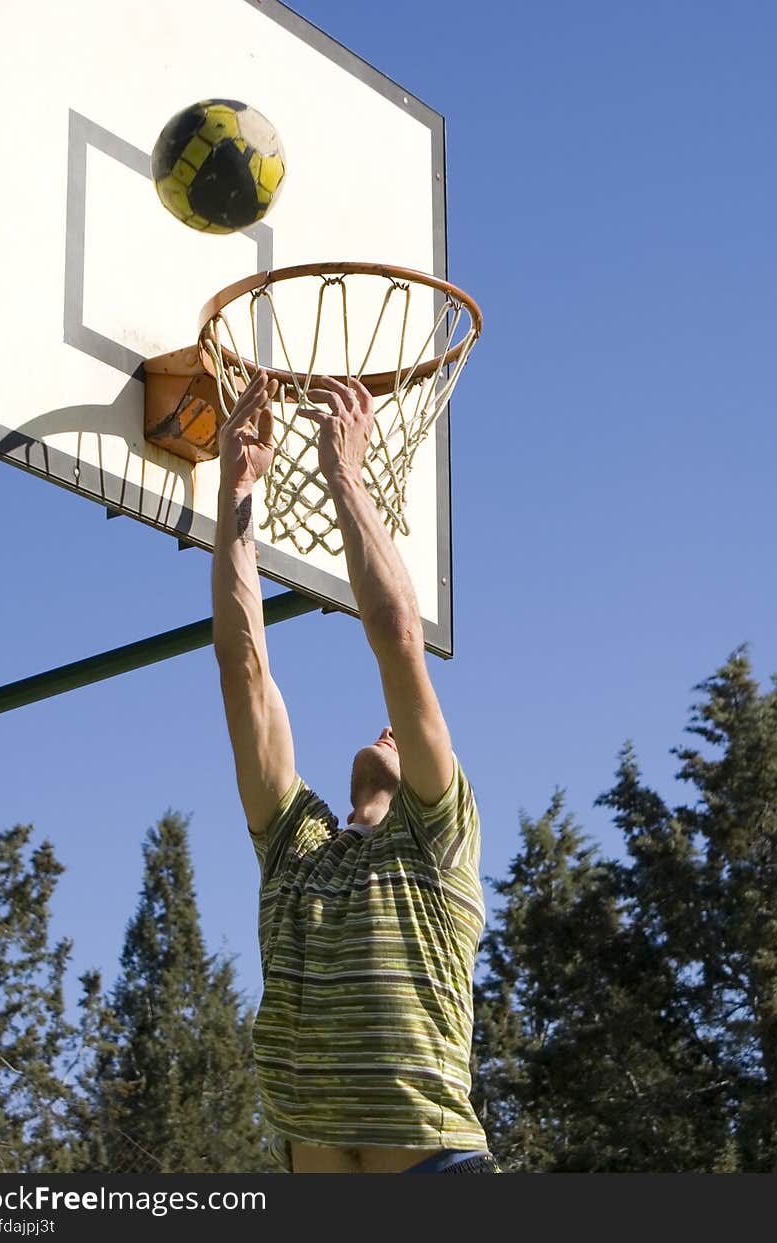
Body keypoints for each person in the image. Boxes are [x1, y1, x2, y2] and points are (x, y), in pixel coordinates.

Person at [212, 368, 498, 1174]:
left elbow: (398, 633)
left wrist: (346, 474)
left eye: (401, 736)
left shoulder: (438, 835)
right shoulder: (295, 845)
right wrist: (237, 493)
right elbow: (244, 668)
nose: (388, 728)